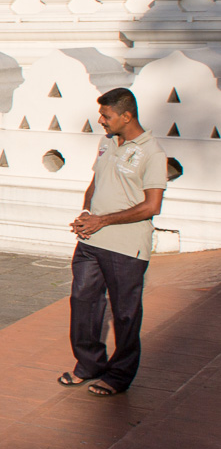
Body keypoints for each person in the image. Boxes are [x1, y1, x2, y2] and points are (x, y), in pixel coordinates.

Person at [60, 87, 167, 397]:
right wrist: (85, 213)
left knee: (125, 313)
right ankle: (89, 365)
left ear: (126, 116)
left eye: (106, 116)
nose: (101, 121)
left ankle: (120, 376)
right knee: (83, 303)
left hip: (127, 247)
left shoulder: (152, 153)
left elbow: (151, 206)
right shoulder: (106, 142)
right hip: (92, 240)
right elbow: (96, 183)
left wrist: (102, 220)